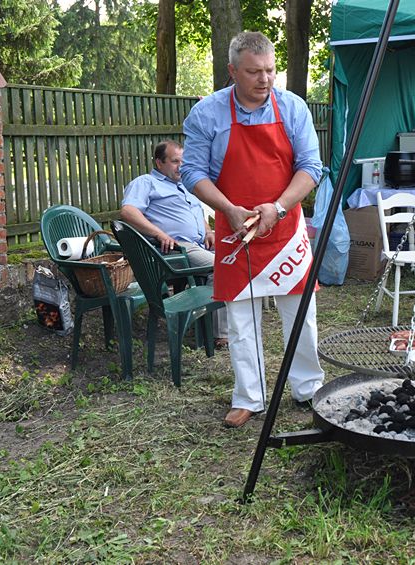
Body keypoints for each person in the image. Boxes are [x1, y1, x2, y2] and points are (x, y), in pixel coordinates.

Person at [180, 31, 324, 429]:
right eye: (254, 72)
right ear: (232, 71)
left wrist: (278, 207)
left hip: (284, 227)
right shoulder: (207, 114)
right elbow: (192, 172)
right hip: (234, 228)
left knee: (301, 315)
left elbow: (311, 167)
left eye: (270, 70)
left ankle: (308, 388)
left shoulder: (292, 108)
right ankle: (249, 396)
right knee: (241, 320)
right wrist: (228, 209)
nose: (265, 79)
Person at [120, 140, 229, 348]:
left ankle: (210, 322)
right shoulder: (146, 182)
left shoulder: (185, 185)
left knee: (237, 256)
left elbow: (196, 213)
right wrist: (159, 234)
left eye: (183, 161)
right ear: (159, 163)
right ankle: (219, 334)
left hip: (199, 245)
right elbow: (128, 211)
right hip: (174, 250)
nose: (181, 166)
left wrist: (208, 231)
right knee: (222, 266)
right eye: (175, 161)